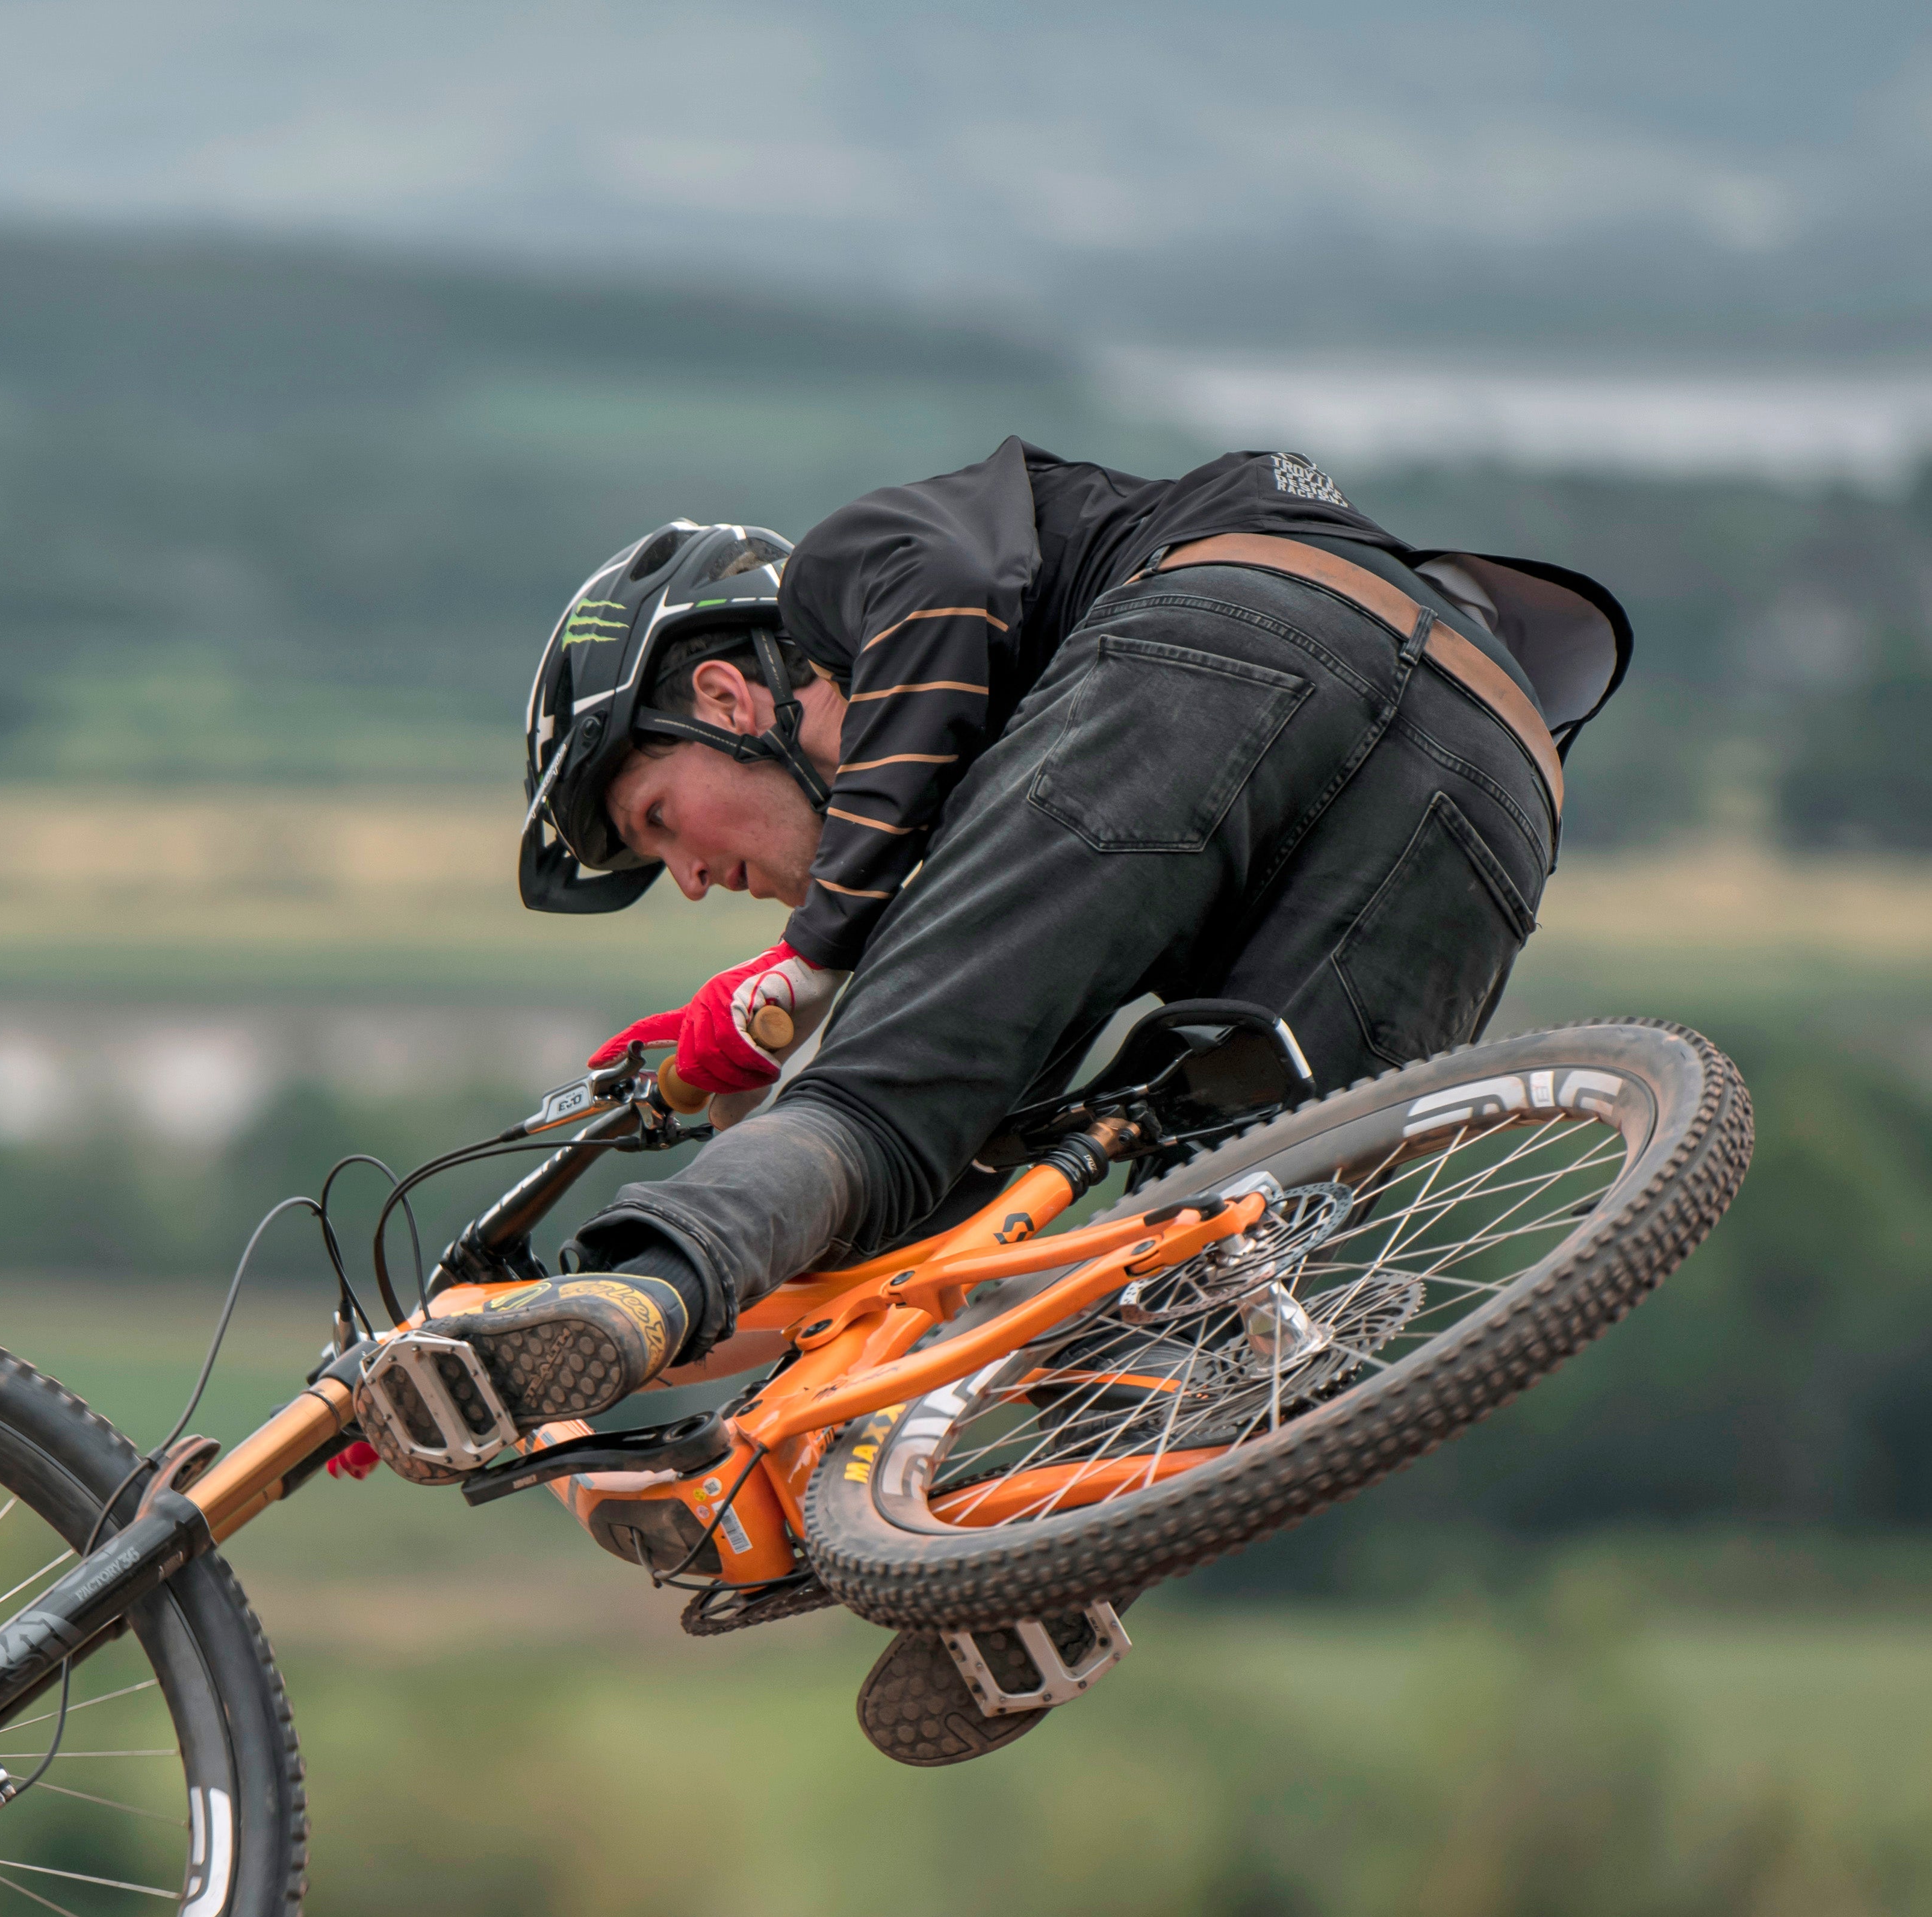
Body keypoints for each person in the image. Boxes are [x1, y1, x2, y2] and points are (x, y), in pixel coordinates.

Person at [358, 438, 1630, 1470]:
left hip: (1236, 634)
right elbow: (927, 1217)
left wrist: (809, 960)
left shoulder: (850, 572)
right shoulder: (983, 822)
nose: (688, 881)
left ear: (725, 701)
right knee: (1212, 1249)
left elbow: (949, 609)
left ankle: (629, 1297)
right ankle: (1034, 1576)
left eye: (654, 824)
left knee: (877, 1102)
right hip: (1497, 769)